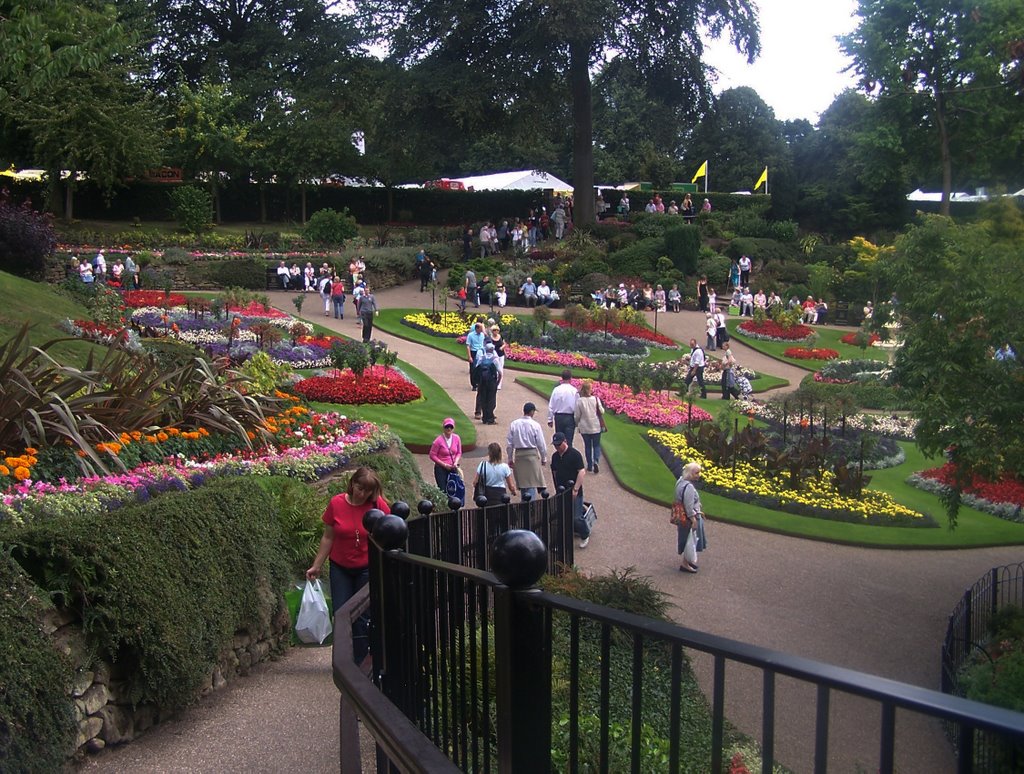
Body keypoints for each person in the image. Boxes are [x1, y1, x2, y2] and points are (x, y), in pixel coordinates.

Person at [306, 466, 390, 662]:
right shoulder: (337, 503)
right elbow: (328, 537)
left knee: (361, 616)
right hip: (340, 567)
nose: (362, 493)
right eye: (360, 487)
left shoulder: (377, 506)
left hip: (366, 568)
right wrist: (317, 565)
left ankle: (359, 662)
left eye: (367, 490)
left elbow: (390, 531)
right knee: (341, 613)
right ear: (352, 483)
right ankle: (343, 659)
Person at [550, 432, 590, 548]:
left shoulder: (574, 454)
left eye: (559, 444)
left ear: (565, 442)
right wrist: (557, 487)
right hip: (562, 491)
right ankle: (561, 540)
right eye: (555, 445)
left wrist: (576, 489)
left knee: (576, 518)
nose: (557, 447)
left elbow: (581, 472)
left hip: (574, 490)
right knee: (562, 516)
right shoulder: (555, 456)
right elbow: (555, 472)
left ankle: (585, 534)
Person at [507, 402, 547, 500]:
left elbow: (509, 444)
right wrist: (543, 457)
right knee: (532, 483)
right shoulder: (535, 425)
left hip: (519, 455)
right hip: (531, 455)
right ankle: (530, 508)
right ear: (532, 412)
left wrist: (510, 458)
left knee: (523, 483)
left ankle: (525, 506)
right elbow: (541, 444)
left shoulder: (514, 424)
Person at [674, 462, 702, 573]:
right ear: (690, 473)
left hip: (681, 516)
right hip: (687, 517)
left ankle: (687, 562)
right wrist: (693, 519)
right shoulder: (688, 487)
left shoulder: (680, 482)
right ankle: (685, 564)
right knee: (689, 540)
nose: (698, 475)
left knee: (687, 538)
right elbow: (689, 505)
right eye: (696, 473)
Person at [573, 380, 605, 474]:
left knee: (587, 446)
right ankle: (596, 460)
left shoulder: (579, 401)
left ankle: (590, 465)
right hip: (595, 425)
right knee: (596, 445)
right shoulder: (595, 399)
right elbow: (602, 411)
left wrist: (577, 423)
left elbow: (577, 415)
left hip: (584, 427)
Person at [428, 418, 463, 491]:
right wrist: (444, 465)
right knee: (443, 489)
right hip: (441, 469)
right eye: (447, 427)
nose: (449, 428)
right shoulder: (438, 441)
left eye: (451, 427)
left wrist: (456, 462)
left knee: (454, 489)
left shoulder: (456, 438)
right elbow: (432, 455)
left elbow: (459, 452)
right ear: (444, 428)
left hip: (453, 468)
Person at [547, 369, 579, 446]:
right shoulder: (574, 390)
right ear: (570, 378)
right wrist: (577, 420)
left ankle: (560, 456)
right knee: (569, 441)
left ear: (562, 378)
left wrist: (550, 419)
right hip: (570, 417)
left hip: (559, 417)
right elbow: (577, 406)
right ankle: (568, 456)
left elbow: (551, 405)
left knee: (559, 440)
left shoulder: (556, 390)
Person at [474, 341, 501, 424]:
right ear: (492, 350)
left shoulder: (481, 358)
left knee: (483, 399)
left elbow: (476, 369)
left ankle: (484, 418)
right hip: (491, 382)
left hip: (482, 382)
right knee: (491, 400)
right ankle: (490, 418)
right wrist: (497, 382)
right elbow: (500, 372)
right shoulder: (495, 359)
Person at [466, 321, 487, 395]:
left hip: (481, 352)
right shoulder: (470, 335)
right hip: (474, 352)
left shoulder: (482, 335)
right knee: (473, 369)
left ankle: (479, 383)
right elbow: (468, 346)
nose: (482, 330)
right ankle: (474, 384)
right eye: (481, 328)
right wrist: (469, 356)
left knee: (481, 368)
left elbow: (484, 344)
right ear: (477, 328)